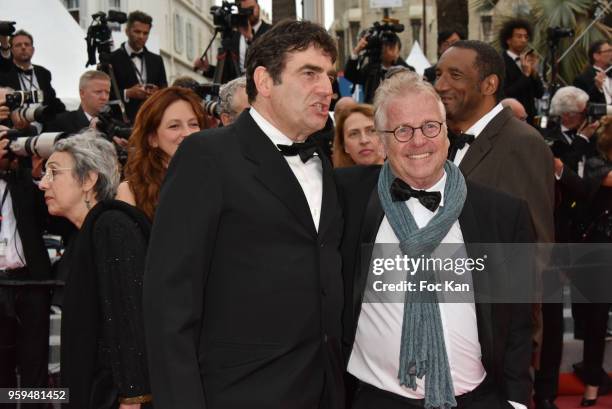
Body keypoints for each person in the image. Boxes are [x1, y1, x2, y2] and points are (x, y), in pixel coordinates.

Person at [144, 20, 344, 409]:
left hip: (323, 389)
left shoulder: (321, 159)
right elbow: (169, 300)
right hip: (240, 393)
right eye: (310, 74)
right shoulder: (208, 156)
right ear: (265, 81)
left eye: (329, 76)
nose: (327, 89)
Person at [336, 71, 533, 409]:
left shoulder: (502, 214)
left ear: (446, 134)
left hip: (477, 398)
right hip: (378, 398)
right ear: (381, 142)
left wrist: (515, 400)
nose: (418, 141)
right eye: (402, 130)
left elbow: (518, 319)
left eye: (430, 126)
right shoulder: (345, 200)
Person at [39, 132, 152, 409]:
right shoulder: (87, 233)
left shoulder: (112, 226)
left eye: (54, 172)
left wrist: (133, 397)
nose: (43, 183)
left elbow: (130, 315)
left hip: (115, 396)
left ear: (89, 180)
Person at [0, 126, 59, 408]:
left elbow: (51, 221)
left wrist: (36, 175)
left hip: (31, 283)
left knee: (35, 362)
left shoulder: (24, 181)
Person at [117, 86, 207, 219]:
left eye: (193, 124)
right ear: (152, 138)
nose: (188, 133)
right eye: (174, 126)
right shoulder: (131, 192)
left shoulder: (215, 179)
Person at [109, 11, 167, 123]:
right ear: (126, 31)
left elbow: (164, 89)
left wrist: (157, 92)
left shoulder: (157, 60)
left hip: (151, 121)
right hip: (122, 122)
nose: (141, 37)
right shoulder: (112, 59)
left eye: (146, 33)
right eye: (137, 32)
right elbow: (104, 95)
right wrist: (128, 93)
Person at [194, 0, 272, 81]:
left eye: (251, 9)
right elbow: (226, 75)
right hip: (237, 90)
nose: (248, 13)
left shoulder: (271, 31)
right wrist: (208, 69)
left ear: (258, 7)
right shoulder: (233, 36)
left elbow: (271, 61)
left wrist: (250, 39)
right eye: (244, 10)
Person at [0, 30, 65, 118]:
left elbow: (52, 100)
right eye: (18, 45)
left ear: (33, 49)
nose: (23, 47)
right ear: (11, 50)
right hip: (15, 125)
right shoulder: (4, 73)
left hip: (43, 123)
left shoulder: (43, 73)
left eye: (27, 44)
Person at [344, 32, 414, 103]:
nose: (387, 50)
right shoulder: (371, 69)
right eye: (385, 46)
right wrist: (357, 51)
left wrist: (396, 58)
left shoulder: (406, 71)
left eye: (391, 47)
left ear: (398, 51)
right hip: (372, 111)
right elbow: (350, 75)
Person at [498, 19, 543, 125]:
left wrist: (533, 73)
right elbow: (506, 93)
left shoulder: (527, 60)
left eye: (526, 37)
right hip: (512, 119)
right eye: (519, 36)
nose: (523, 40)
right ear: (508, 40)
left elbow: (539, 93)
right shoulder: (500, 62)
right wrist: (525, 75)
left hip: (532, 119)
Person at [45, 70, 111, 134]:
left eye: (107, 93)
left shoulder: (115, 124)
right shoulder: (59, 123)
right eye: (98, 92)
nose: (104, 97)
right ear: (82, 93)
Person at [574, 40, 612, 105]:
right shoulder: (582, 78)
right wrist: (597, 87)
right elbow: (583, 104)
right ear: (596, 56)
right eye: (609, 51)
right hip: (601, 114)